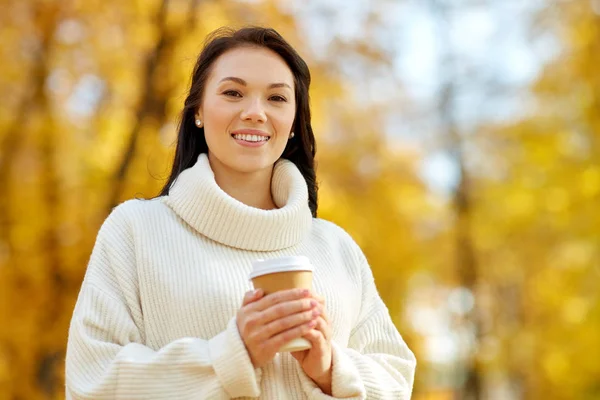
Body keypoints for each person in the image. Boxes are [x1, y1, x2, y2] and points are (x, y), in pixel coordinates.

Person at [65, 26, 416, 399]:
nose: (255, 113)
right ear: (198, 110)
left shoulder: (337, 248)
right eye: (233, 93)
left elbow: (396, 377)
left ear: (296, 123)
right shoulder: (135, 231)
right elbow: (92, 382)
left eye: (277, 98)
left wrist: (331, 369)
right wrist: (232, 356)